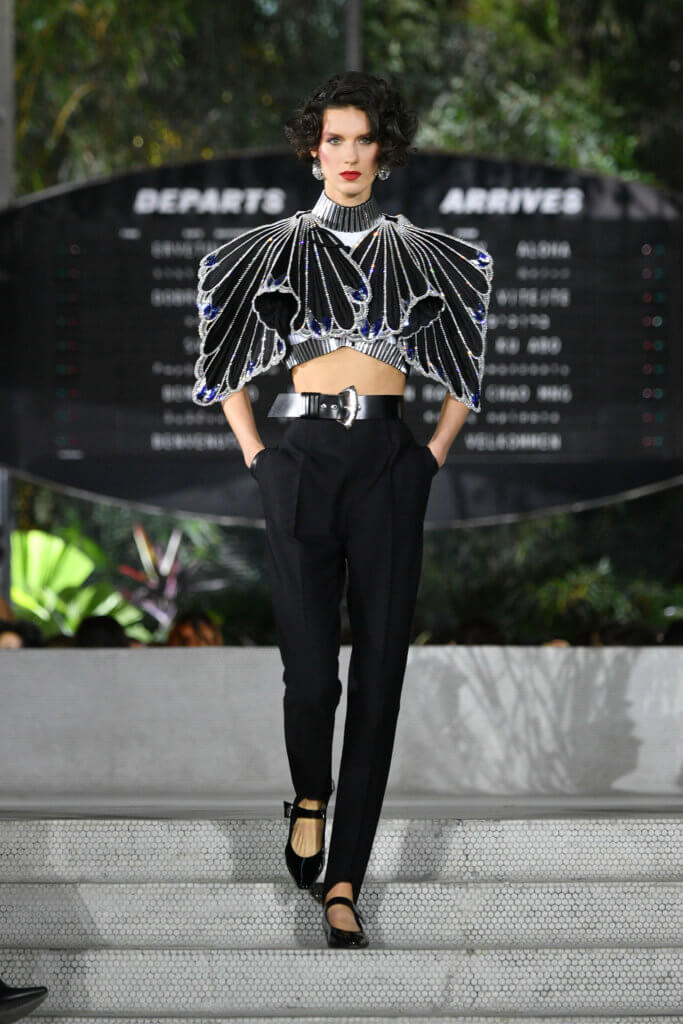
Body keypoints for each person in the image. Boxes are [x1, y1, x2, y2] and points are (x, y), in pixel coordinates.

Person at [193, 70, 493, 948]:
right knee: (313, 675)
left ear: (383, 149)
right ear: (312, 149)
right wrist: (258, 459)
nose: (349, 155)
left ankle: (344, 881)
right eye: (334, 139)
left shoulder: (432, 253)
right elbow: (223, 373)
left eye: (364, 139)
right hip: (301, 460)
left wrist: (427, 460)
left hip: (389, 464)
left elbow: (463, 378)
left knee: (380, 681)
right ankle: (310, 794)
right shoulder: (266, 251)